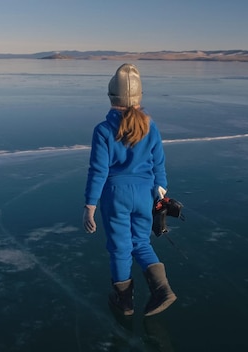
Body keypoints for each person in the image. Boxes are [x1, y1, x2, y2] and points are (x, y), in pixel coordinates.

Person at [83, 63, 177, 317]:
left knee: (120, 247)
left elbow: (98, 171)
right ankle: (162, 289)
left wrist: (90, 206)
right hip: (145, 194)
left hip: (116, 196)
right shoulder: (150, 126)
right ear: (139, 97)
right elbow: (159, 163)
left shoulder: (103, 130)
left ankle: (124, 301)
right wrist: (161, 194)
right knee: (140, 241)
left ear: (112, 96)